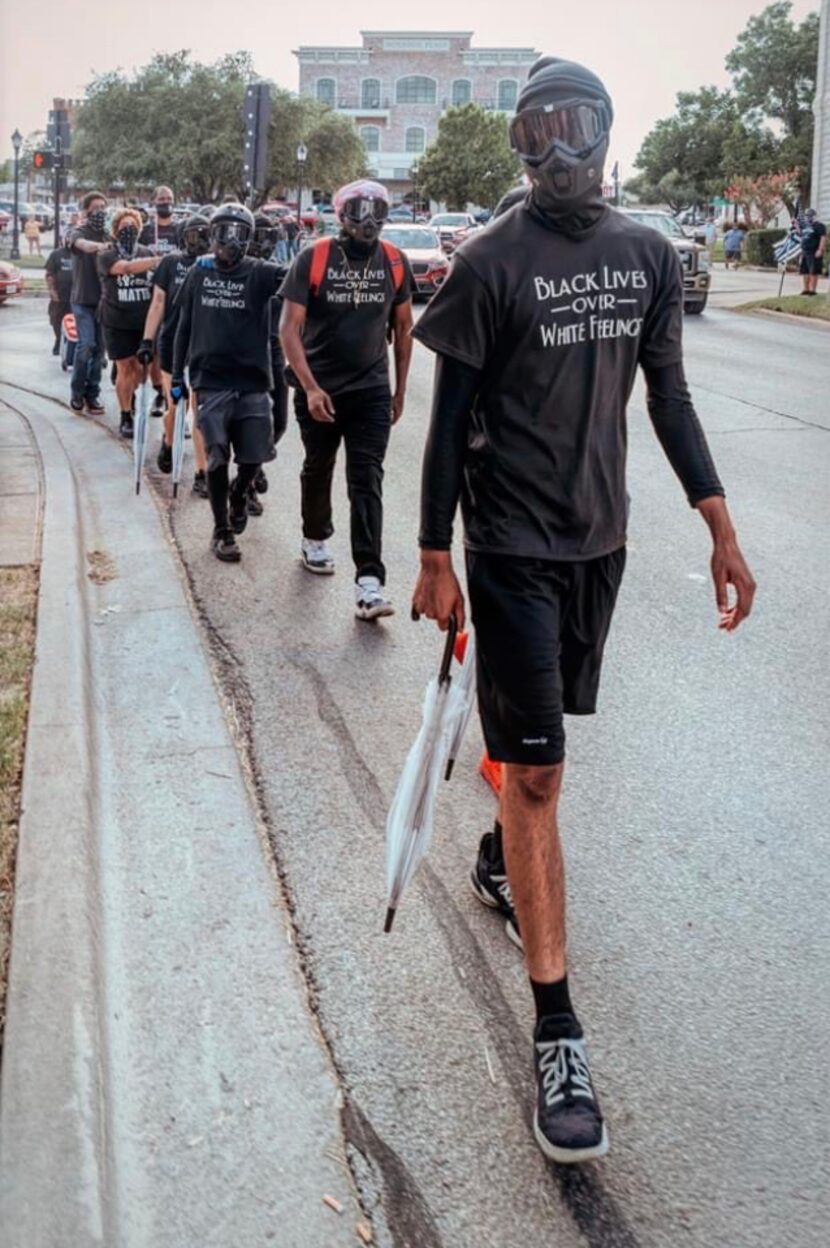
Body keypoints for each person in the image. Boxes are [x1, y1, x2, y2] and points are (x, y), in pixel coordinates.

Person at [410, 56, 756, 1165]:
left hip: (596, 548)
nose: (554, 150)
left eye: (574, 126)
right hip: (506, 548)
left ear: (605, 130)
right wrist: (430, 554)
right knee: (545, 769)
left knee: (536, 764)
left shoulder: (648, 254)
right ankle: (557, 1032)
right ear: (515, 144)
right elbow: (442, 417)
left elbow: (669, 395)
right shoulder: (488, 264)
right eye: (533, 131)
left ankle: (501, 852)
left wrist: (717, 523)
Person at [279, 178, 414, 620]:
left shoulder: (394, 261)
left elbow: (404, 328)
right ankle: (315, 537)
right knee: (319, 466)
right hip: (319, 389)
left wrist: (399, 389)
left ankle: (369, 583)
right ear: (342, 215)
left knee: (366, 478)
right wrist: (311, 386)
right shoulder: (313, 258)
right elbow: (289, 330)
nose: (369, 219)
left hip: (370, 391)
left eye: (377, 210)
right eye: (360, 210)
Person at [172, 202, 283, 563]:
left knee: (253, 457)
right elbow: (182, 327)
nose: (229, 240)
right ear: (211, 234)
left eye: (238, 232)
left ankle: (240, 492)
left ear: (249, 238)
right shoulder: (198, 275)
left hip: (253, 382)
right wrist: (176, 375)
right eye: (222, 231)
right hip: (211, 381)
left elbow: (299, 279)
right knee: (217, 456)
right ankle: (222, 530)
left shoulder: (262, 274)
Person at [138, 214, 212, 495]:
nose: (200, 241)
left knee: (200, 409)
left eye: (205, 235)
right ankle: (168, 441)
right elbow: (158, 303)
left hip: (203, 343)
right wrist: (147, 339)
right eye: (194, 235)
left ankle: (202, 472)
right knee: (176, 403)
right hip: (172, 343)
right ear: (183, 237)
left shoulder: (213, 265)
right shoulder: (170, 264)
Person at [96, 208, 158, 438]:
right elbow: (126, 268)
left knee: (142, 369)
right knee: (125, 366)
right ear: (115, 230)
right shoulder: (106, 253)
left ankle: (131, 395)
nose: (128, 230)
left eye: (133, 225)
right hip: (116, 319)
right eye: (123, 226)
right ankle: (125, 415)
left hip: (143, 321)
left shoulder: (146, 251)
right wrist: (159, 260)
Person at [246, 213, 290, 511]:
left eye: (269, 237)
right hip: (245, 355)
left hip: (275, 352)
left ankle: (256, 462)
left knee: (280, 421)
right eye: (258, 236)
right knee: (250, 424)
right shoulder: (237, 270)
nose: (264, 243)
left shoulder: (279, 273)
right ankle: (246, 485)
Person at [68, 190, 110, 415]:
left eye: (103, 208)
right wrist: (100, 247)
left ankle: (92, 394)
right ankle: (76, 392)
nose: (100, 212)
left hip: (104, 302)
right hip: (83, 300)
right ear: (85, 211)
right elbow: (82, 244)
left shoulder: (108, 234)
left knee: (100, 350)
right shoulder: (78, 232)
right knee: (86, 346)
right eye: (95, 208)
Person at [44, 235, 74, 356]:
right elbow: (49, 274)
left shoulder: (83, 255)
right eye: (68, 237)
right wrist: (52, 291)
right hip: (60, 295)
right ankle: (58, 340)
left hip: (79, 295)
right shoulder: (56, 254)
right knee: (56, 319)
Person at [139, 185, 179, 255]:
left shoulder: (180, 229)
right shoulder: (144, 231)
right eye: (161, 199)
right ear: (154, 202)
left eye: (169, 199)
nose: (166, 202)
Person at [799, 208, 826, 295]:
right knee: (805, 271)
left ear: (814, 216)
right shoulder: (805, 226)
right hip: (805, 252)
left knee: (813, 271)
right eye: (807, 215)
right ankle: (806, 289)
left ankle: (812, 290)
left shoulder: (820, 226)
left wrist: (820, 250)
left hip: (814, 252)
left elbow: (823, 238)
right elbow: (801, 236)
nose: (808, 217)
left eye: (810, 215)